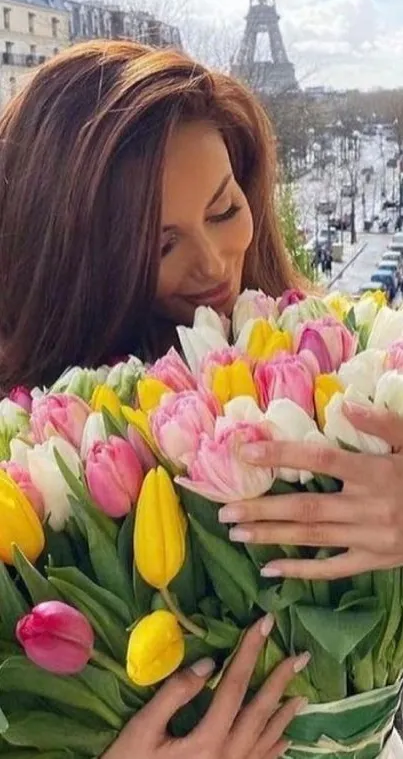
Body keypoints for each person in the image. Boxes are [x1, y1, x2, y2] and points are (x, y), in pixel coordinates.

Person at [0, 40, 403, 753]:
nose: (215, 262)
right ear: (67, 255)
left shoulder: (325, 360)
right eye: (158, 246)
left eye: (224, 208)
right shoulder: (27, 459)